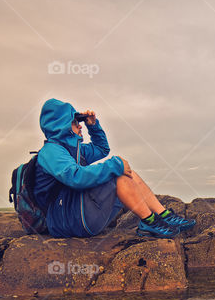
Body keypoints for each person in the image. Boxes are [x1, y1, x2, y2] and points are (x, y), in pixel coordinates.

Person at [33, 98, 195, 238]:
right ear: (62, 126)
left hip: (78, 215)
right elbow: (75, 177)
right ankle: (149, 222)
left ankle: (163, 215)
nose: (80, 126)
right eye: (76, 122)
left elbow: (102, 149)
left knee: (128, 173)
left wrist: (93, 126)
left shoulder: (74, 150)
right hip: (67, 222)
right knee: (119, 174)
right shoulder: (51, 152)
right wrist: (115, 165)